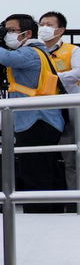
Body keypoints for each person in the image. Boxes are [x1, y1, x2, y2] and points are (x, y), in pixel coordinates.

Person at [0, 14, 67, 213]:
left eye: (12, 31)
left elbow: (7, 58)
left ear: (27, 33)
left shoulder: (31, 52)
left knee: (35, 172)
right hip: (37, 119)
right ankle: (53, 212)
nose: (8, 35)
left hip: (37, 120)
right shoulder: (33, 51)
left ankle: (40, 215)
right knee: (44, 169)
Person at [39, 11, 79, 194]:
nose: (44, 28)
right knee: (46, 155)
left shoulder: (73, 50)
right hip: (43, 106)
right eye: (41, 24)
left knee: (72, 156)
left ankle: (74, 198)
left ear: (60, 30)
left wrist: (52, 78)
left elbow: (77, 73)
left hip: (70, 106)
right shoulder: (36, 51)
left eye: (49, 25)